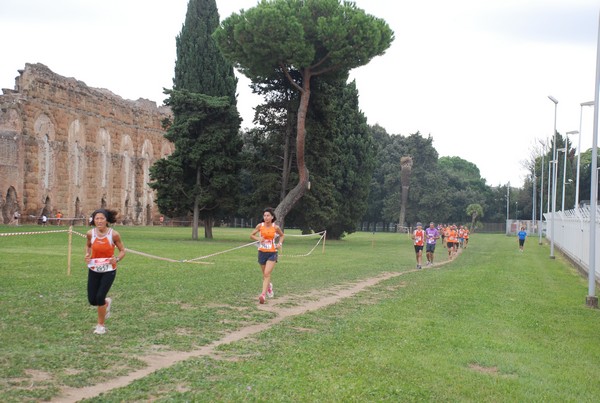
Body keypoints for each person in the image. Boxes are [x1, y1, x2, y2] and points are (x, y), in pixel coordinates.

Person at [85, 209, 126, 334]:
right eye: (96, 218)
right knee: (93, 300)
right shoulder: (90, 233)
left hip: (109, 269)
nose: (99, 221)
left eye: (102, 218)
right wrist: (87, 254)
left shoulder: (114, 234)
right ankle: (106, 303)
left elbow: (122, 250)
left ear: (107, 220)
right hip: (94, 268)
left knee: (99, 297)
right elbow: (88, 245)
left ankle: (100, 325)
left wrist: (116, 259)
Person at [250, 208, 285, 304]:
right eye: (264, 215)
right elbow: (251, 235)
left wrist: (280, 244)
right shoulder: (260, 226)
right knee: (264, 274)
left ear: (272, 217)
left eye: (268, 215)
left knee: (266, 274)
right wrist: (258, 238)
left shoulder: (276, 227)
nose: (266, 217)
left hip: (272, 253)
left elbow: (282, 236)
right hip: (261, 252)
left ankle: (263, 295)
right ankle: (269, 286)